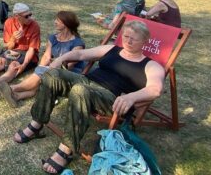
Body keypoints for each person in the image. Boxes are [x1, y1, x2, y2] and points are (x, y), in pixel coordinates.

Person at [15, 21, 165, 174]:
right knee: (51, 74)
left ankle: (66, 149)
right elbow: (80, 54)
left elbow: (155, 89)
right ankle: (37, 123)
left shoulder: (151, 65)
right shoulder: (112, 49)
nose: (128, 41)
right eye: (126, 36)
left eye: (134, 38)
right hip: (87, 82)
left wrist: (132, 97)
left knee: (80, 90)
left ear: (145, 42)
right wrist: (60, 59)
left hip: (111, 97)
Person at [0, 11, 85, 107]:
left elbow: (68, 67)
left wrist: (46, 70)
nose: (55, 22)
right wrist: (41, 68)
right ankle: (17, 96)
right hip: (53, 68)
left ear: (67, 24)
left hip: (68, 74)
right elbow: (47, 56)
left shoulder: (77, 44)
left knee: (41, 77)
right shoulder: (53, 38)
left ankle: (12, 88)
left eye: (58, 21)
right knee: (40, 77)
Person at [0, 3, 41, 93]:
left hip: (28, 54)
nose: (30, 18)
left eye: (30, 14)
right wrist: (13, 39)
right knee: (0, 62)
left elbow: (31, 50)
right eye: (26, 16)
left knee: (13, 66)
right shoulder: (9, 22)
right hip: (13, 50)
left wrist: (23, 65)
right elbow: (9, 46)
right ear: (16, 16)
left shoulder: (34, 26)